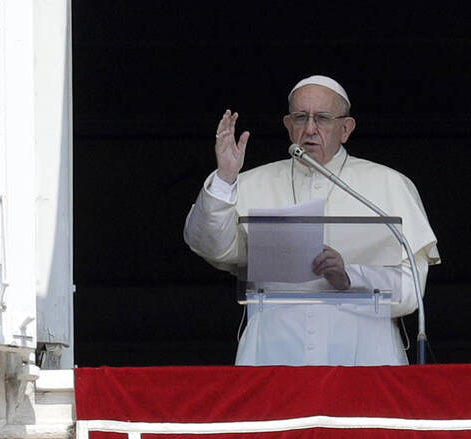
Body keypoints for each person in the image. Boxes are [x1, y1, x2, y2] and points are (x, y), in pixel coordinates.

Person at [184, 75, 439, 366]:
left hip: (366, 351)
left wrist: (350, 277)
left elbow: (411, 291)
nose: (310, 129)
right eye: (300, 117)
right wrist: (225, 178)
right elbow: (212, 248)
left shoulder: (389, 184)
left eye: (323, 118)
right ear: (288, 125)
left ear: (346, 128)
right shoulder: (249, 182)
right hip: (272, 349)